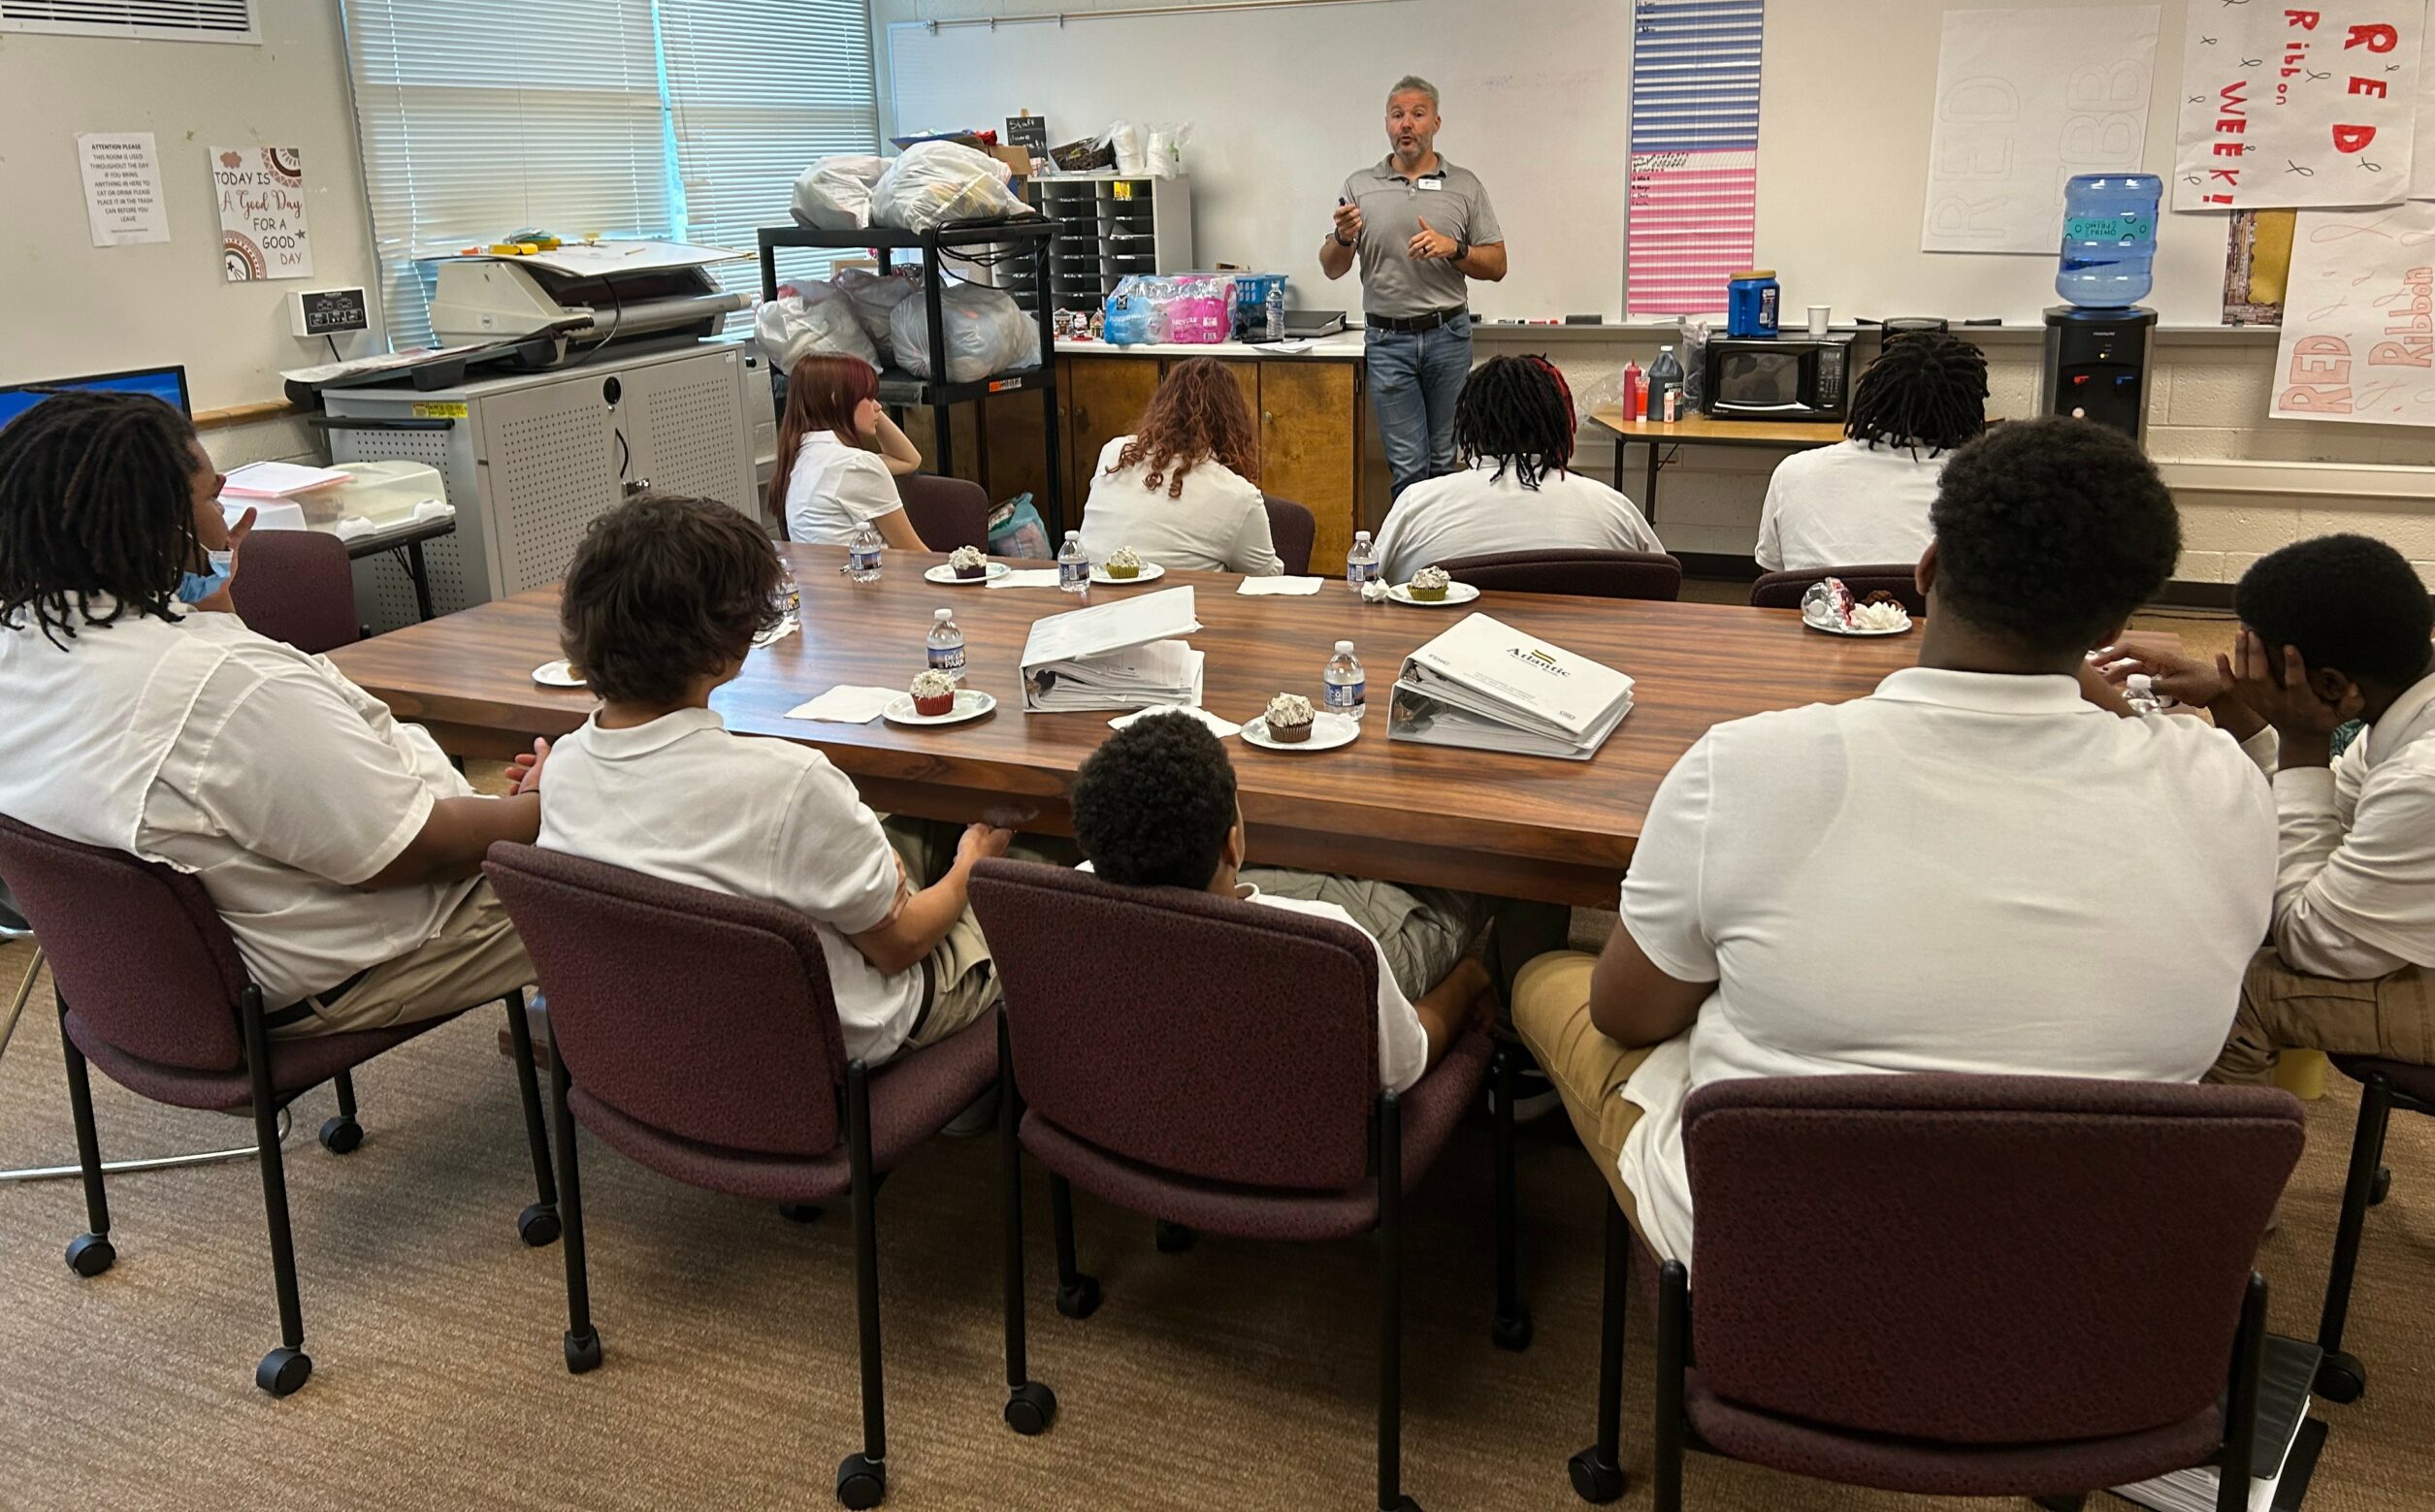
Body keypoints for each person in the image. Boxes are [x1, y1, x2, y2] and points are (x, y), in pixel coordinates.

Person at [1511, 418, 2275, 1260]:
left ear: (1928, 569)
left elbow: (1628, 1013)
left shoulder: (1749, 765)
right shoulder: (2223, 784)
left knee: (1551, 978)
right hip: (2088, 1275)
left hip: (1775, 1255)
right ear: (2117, 622)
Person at [0, 390, 542, 1036]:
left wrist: (212, 608)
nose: (226, 517)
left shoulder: (25, 646)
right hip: (372, 956)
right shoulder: (226, 688)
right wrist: (553, 799)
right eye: (211, 498)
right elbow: (418, 852)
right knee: (640, 839)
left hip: (157, 992)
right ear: (155, 523)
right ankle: (628, 1055)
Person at [536, 494, 1008, 1065]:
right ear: (731, 639)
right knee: (1027, 878)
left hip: (666, 1045)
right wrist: (973, 865)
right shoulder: (791, 782)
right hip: (836, 1041)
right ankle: (980, 1089)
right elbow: (902, 946)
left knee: (907, 838)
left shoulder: (561, 767)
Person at [2098, 535, 2435, 1080]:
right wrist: (2230, 701)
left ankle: (2211, 1160)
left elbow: (2313, 944)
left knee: (2221, 989)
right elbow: (2321, 824)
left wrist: (2302, 738)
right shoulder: (2432, 689)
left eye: (2261, 668)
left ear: (2330, 685)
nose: (2250, 677)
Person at [1071, 713, 1487, 1091]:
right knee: (1475, 882)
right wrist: (1471, 976)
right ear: (1233, 847)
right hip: (1308, 1158)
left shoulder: (1070, 900)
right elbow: (1406, 1063)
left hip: (1126, 1135)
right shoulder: (1335, 944)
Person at [1318, 75, 1509, 497]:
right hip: (1388, 340)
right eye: (1397, 115)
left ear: (1436, 123)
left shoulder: (1464, 185)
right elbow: (1332, 267)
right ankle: (1411, 564)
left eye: (1417, 115)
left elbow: (1497, 264)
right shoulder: (1359, 186)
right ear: (1387, 124)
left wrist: (1453, 248)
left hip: (1448, 336)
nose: (1407, 124)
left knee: (1444, 464)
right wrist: (1344, 238)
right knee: (1407, 470)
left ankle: (1442, 563)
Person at [1372, 355, 1662, 582]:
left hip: (1441, 655)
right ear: (1559, 425)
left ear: (1469, 426)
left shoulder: (1415, 506)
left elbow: (1367, 592)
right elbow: (1663, 587)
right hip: (1580, 655)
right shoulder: (1613, 510)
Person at [1753, 329, 1987, 573]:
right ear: (1968, 409)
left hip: (1815, 611)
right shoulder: (1981, 490)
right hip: (1928, 611)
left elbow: (1771, 592)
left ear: (1872, 392)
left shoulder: (1793, 472)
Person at [1079, 357, 1281, 576]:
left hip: (1088, 603)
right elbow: (1268, 583)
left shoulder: (1114, 452)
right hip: (1182, 607)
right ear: (1234, 424)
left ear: (1161, 407)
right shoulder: (1239, 495)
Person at [770, 352, 927, 552]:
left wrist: (862, 410)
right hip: (876, 579)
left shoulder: (801, 458)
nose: (878, 406)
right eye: (869, 398)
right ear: (837, 399)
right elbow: (917, 555)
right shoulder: (856, 465)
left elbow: (908, 460)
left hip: (826, 581)